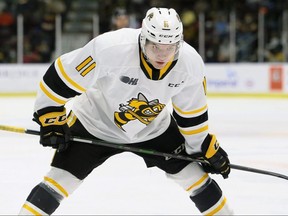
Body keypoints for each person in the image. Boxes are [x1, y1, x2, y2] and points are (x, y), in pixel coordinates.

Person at [19, 7, 233, 215]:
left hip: (153, 129)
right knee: (59, 180)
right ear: (143, 39)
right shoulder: (110, 48)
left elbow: (191, 114)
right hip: (94, 122)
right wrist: (50, 116)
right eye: (156, 46)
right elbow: (61, 77)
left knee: (195, 177)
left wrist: (201, 149)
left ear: (179, 43)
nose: (162, 54)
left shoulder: (190, 63)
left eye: (170, 47)